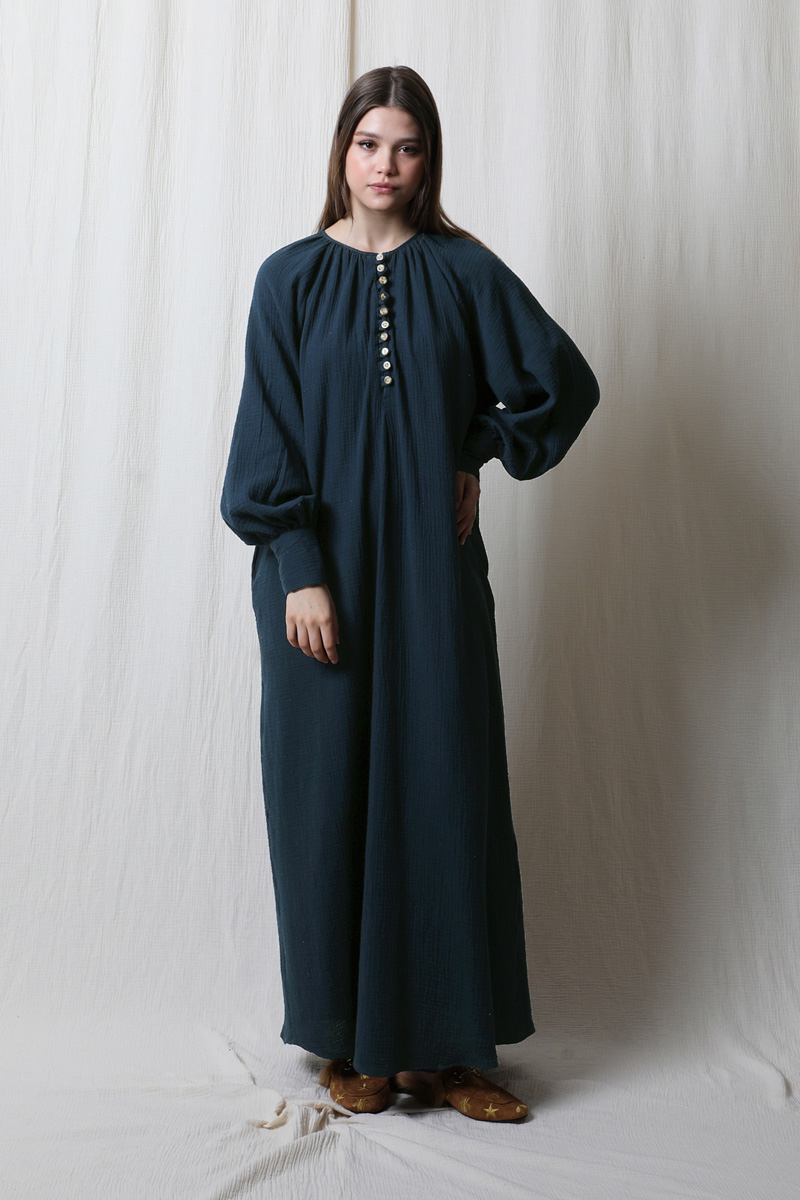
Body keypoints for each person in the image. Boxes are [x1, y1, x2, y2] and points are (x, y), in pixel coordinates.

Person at [220, 65, 600, 1123]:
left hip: (434, 580)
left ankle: (452, 1052)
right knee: (326, 800)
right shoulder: (289, 280)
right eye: (368, 143)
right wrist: (299, 567)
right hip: (317, 587)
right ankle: (348, 1046)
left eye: (406, 146)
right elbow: (266, 439)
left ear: (428, 159)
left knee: (443, 787)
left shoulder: (464, 273)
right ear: (340, 150)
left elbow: (562, 384)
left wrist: (476, 447)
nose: (384, 165)